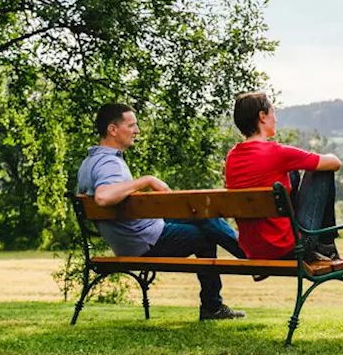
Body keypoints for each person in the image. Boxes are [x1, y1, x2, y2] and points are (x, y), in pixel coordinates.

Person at [75, 102, 247, 320]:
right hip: (145, 242)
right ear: (113, 129)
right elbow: (103, 197)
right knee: (206, 231)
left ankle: (220, 294)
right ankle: (241, 268)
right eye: (132, 125)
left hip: (132, 239)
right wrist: (147, 180)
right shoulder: (109, 163)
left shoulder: (89, 162)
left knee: (203, 217)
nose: (136, 131)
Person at [224, 91, 342, 262]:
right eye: (273, 112)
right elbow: (335, 163)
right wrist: (329, 154)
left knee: (290, 173)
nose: (276, 118)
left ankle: (325, 245)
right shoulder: (277, 153)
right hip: (292, 247)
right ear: (262, 116)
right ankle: (326, 244)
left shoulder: (232, 157)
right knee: (321, 171)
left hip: (255, 250)